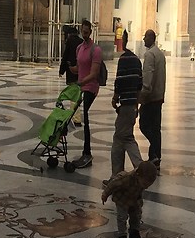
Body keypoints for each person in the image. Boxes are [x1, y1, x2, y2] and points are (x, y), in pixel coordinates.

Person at [66, 25, 105, 170]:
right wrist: (71, 68)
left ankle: (87, 153)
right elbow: (80, 68)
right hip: (81, 86)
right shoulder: (79, 48)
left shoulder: (96, 50)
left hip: (90, 87)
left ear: (91, 32)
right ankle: (85, 151)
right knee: (78, 116)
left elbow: (94, 73)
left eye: (87, 32)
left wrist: (82, 82)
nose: (85, 34)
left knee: (86, 118)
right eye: (83, 32)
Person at [101, 159, 158, 238]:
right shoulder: (125, 178)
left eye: (148, 185)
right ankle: (122, 236)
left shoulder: (142, 179)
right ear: (138, 175)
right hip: (122, 199)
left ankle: (134, 232)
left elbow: (139, 190)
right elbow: (112, 184)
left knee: (136, 215)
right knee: (122, 217)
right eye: (144, 184)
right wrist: (105, 194)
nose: (146, 187)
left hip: (135, 199)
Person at [110, 34, 145, 175]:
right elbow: (139, 84)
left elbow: (120, 81)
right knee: (120, 138)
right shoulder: (136, 60)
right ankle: (117, 174)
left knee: (126, 138)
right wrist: (137, 105)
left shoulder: (123, 60)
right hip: (131, 105)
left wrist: (115, 97)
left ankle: (140, 168)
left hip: (125, 105)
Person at [138, 29, 166, 162]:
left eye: (145, 37)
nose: (144, 39)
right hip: (159, 95)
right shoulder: (160, 54)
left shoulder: (149, 55)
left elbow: (147, 77)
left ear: (151, 38)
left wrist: (143, 95)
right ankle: (155, 156)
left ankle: (154, 149)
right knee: (156, 127)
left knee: (143, 125)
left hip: (151, 97)